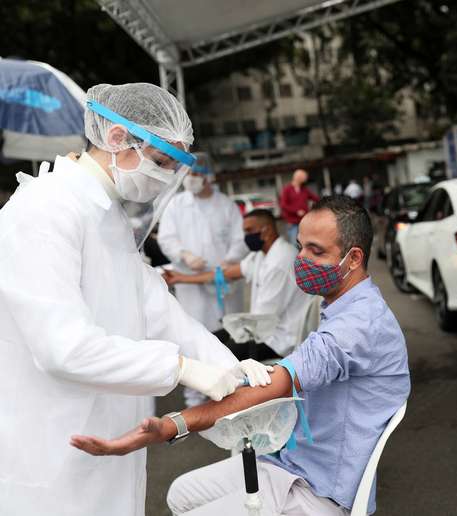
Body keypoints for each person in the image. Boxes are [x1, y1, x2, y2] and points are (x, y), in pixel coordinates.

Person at [0, 83, 272, 516]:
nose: (165, 177)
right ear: (116, 139)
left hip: (107, 435)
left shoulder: (106, 215)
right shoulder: (44, 210)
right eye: (162, 161)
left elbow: (156, 308)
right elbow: (63, 348)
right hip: (50, 451)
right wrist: (181, 368)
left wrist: (228, 364)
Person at [71, 195, 411, 516]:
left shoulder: (356, 326)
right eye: (300, 247)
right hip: (292, 463)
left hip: (317, 489)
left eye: (316, 251)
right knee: (179, 493)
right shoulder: (350, 308)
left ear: (353, 258)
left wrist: (172, 425)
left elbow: (273, 387)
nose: (302, 259)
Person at [158, 153, 249, 406]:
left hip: (223, 282)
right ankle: (195, 397)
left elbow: (239, 239)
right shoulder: (176, 205)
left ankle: (230, 388)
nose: (191, 179)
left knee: (226, 335)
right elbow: (166, 238)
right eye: (188, 174)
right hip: (190, 284)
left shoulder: (225, 205)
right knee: (192, 336)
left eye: (197, 174)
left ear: (209, 177)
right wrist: (182, 254)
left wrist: (227, 262)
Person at [165, 208, 314, 361]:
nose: (246, 237)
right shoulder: (260, 255)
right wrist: (180, 278)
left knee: (217, 356)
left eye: (250, 230)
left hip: (278, 341)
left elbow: (263, 319)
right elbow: (226, 274)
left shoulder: (279, 261)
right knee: (209, 340)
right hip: (261, 330)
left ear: (267, 231)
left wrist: (232, 323)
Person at [279, 168, 319, 243]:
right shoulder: (287, 189)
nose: (306, 179)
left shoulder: (304, 189)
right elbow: (283, 205)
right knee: (295, 244)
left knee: (307, 243)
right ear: (298, 178)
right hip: (292, 223)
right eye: (304, 177)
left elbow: (315, 198)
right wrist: (296, 211)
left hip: (304, 221)